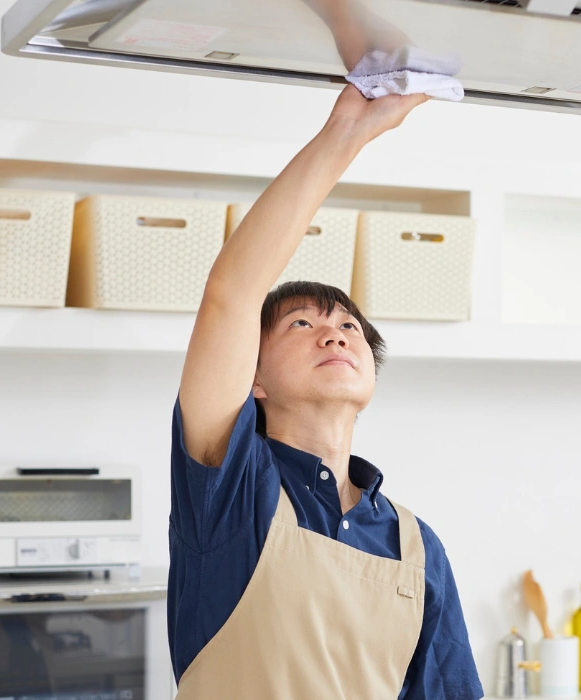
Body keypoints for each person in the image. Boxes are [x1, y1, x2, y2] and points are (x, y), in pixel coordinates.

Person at [167, 85, 483, 699]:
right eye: (301, 324)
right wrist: (348, 133)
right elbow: (231, 293)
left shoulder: (414, 547)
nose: (335, 334)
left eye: (349, 326)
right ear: (253, 377)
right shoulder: (231, 490)